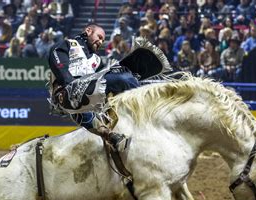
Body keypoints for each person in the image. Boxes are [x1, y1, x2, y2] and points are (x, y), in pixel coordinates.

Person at [48, 24, 170, 152]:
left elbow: (104, 80)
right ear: (88, 31)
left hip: (89, 94)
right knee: (123, 79)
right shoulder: (69, 44)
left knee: (126, 78)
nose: (100, 42)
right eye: (99, 37)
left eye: (103, 40)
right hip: (68, 92)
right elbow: (56, 57)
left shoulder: (96, 59)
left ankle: (112, 134)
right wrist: (69, 83)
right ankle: (149, 115)